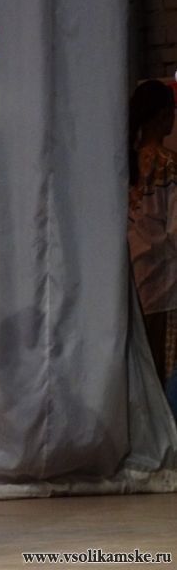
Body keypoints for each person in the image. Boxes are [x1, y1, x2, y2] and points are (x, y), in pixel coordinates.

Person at [128, 78, 177, 415]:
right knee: (166, 373)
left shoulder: (126, 164)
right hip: (166, 285)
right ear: (162, 117)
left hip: (136, 282)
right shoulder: (168, 164)